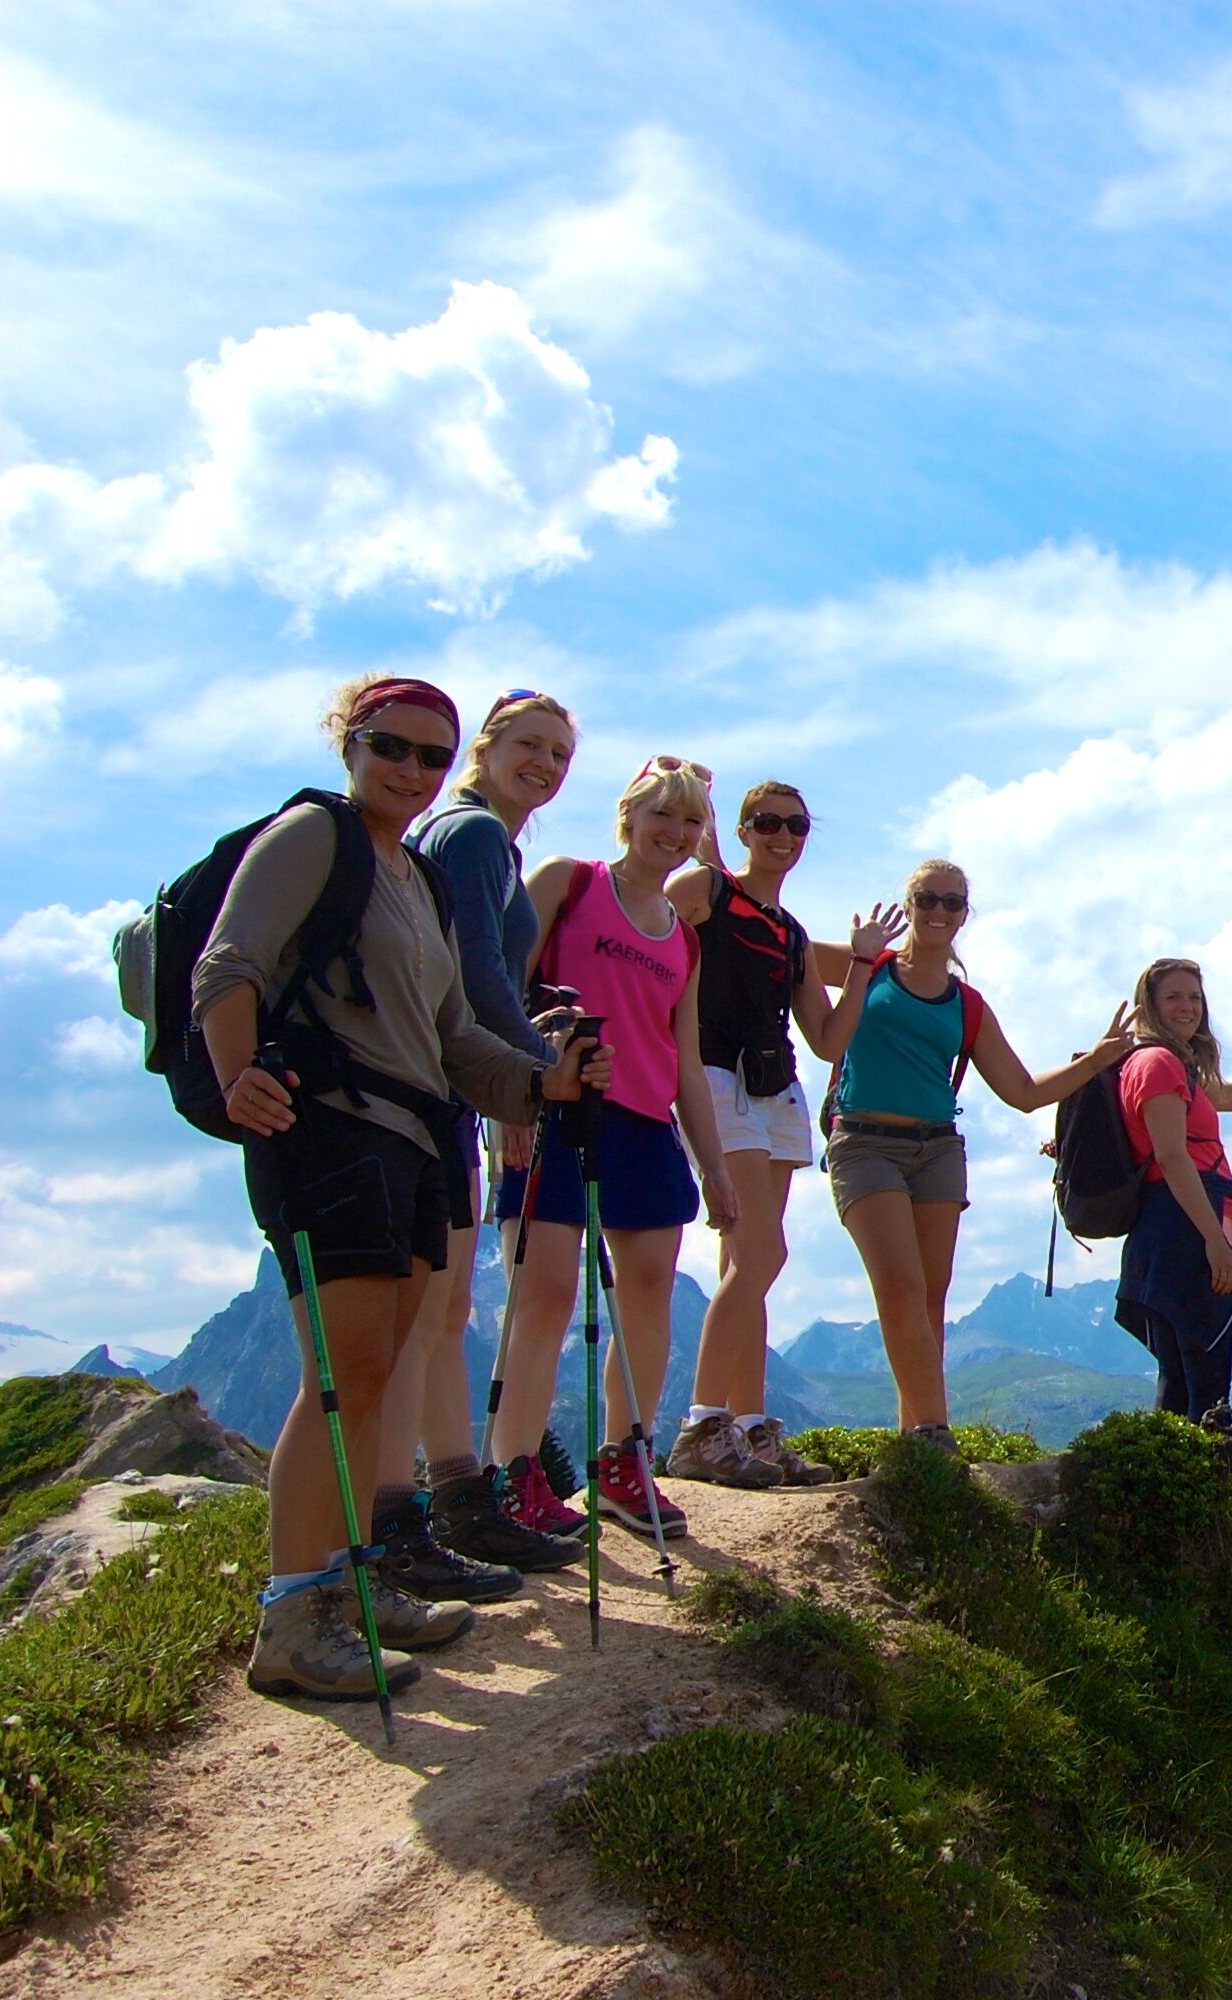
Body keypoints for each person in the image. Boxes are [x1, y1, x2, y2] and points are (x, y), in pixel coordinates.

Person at [194, 674, 605, 1703]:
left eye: (430, 754)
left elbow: (452, 1030)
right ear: (350, 741)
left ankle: (355, 1584)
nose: (411, 770)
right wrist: (239, 1071)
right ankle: (295, 1609)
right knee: (340, 1378)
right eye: (392, 746)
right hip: (329, 1127)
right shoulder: (312, 836)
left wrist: (537, 1080)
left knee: (374, 1372)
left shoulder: (410, 875)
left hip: (411, 1137)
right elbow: (227, 963)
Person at [482, 757, 738, 1543]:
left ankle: (626, 1463)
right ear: (627, 814)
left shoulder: (683, 941)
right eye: (662, 813)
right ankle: (514, 1473)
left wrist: (715, 1169)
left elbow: (684, 1059)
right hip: (557, 1107)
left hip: (645, 1124)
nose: (675, 832)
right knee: (547, 1294)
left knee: (651, 1288)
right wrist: (511, 1101)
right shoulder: (568, 883)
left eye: (690, 821)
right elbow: (499, 985)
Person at [823, 858, 1126, 1451]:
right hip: (863, 1145)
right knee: (901, 1287)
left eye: (952, 903)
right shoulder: (868, 965)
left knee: (929, 1297)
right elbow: (769, 932)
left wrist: (1094, 1062)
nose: (939, 911)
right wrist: (710, 853)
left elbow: (1023, 1092)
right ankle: (937, 1434)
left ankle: (914, 1436)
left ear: (965, 914)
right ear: (907, 904)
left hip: (937, 1150)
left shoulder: (968, 1005)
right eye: (927, 899)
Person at [397, 689, 586, 1581]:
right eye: (531, 745)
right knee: (427, 1311)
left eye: (559, 754)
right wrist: (524, 1086)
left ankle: (452, 1504)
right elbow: (472, 973)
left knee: (442, 1309)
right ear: (487, 744)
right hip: (436, 1084)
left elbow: (481, 971)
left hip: (448, 1081)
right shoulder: (470, 836)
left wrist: (535, 1022)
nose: (545, 765)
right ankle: (418, 1518)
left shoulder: (489, 847)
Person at [663, 782, 889, 1489]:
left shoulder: (788, 932)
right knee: (761, 1251)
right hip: (715, 1076)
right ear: (740, 830)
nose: (782, 835)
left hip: (775, 1088)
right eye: (766, 823)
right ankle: (703, 1427)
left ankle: (750, 1428)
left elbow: (827, 1039)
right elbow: (653, 919)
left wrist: (859, 964)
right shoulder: (708, 891)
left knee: (750, 1264)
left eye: (795, 824)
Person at [1116, 958, 1232, 1432]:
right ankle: (1208, 1488)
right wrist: (1214, 1239)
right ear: (1149, 1005)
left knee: (1186, 1376)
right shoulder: (1159, 1065)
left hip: (1177, 1221)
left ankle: (1176, 1480)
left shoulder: (1173, 1067)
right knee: (1204, 1378)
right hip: (1187, 1221)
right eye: (1174, 997)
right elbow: (1171, 1158)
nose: (1187, 1007)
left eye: (1194, 997)